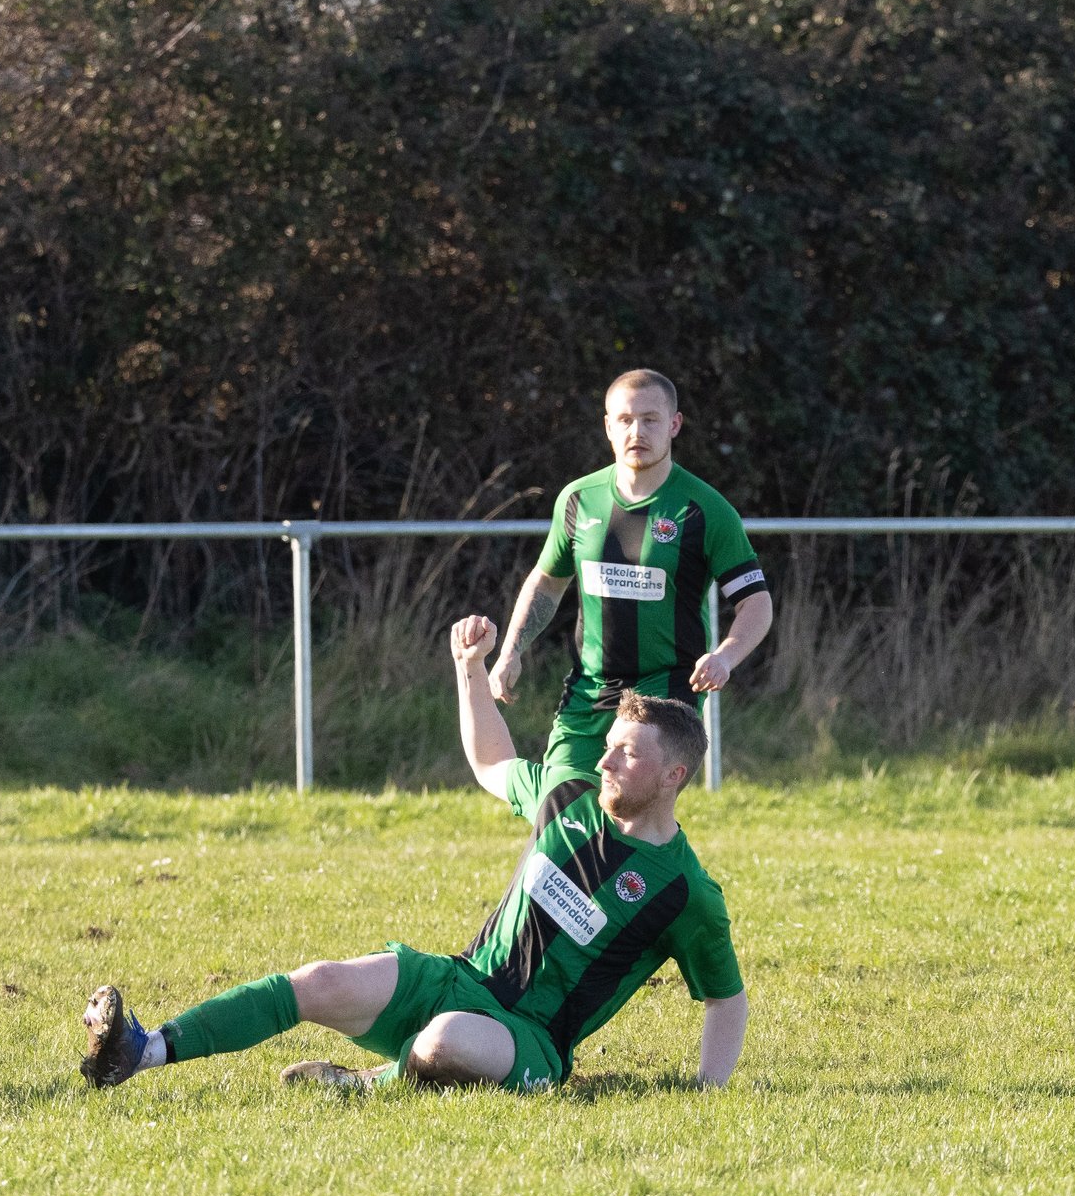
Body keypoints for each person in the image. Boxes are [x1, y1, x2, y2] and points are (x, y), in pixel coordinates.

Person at [80, 614, 750, 1094]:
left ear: (673, 778)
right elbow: (492, 762)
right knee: (322, 981)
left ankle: (368, 1082)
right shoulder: (568, 798)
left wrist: (707, 1090)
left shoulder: (684, 891)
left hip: (529, 1039)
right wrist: (469, 670)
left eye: (625, 753)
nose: (602, 758)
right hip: (456, 978)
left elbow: (725, 998)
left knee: (444, 1043)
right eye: (606, 744)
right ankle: (142, 1052)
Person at [489, 369, 773, 772]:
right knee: (559, 800)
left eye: (650, 419)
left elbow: (756, 603)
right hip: (590, 689)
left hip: (668, 689)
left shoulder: (706, 509)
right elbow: (548, 582)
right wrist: (511, 651)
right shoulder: (578, 499)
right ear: (608, 426)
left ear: (674, 425)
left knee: (631, 808)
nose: (636, 431)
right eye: (624, 420)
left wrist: (726, 657)